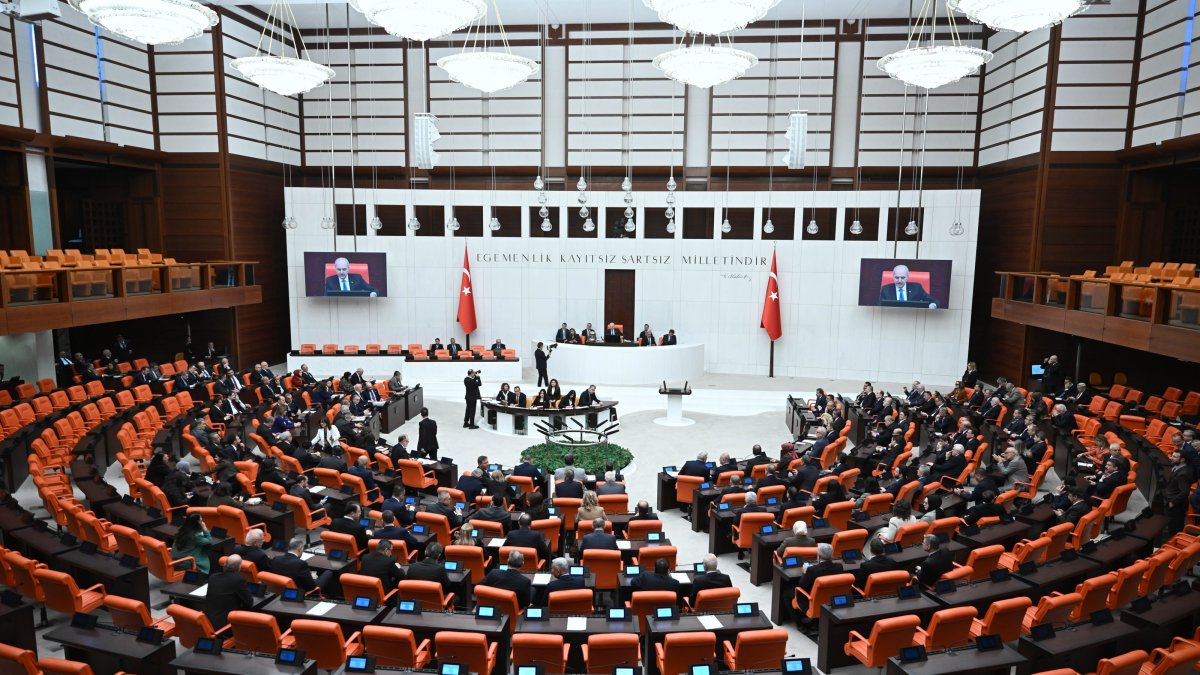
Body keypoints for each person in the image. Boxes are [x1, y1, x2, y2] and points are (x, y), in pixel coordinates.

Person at [795, 544, 843, 618]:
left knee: (787, 594)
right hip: (833, 600)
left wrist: (804, 573)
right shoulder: (839, 567)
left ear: (819, 556)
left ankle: (801, 625)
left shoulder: (812, 570)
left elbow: (801, 585)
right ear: (831, 555)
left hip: (814, 601)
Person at [205, 555, 253, 628]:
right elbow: (249, 603)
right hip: (225, 624)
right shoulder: (238, 580)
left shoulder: (213, 577)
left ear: (224, 565)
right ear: (239, 567)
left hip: (209, 619)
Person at [1163, 450, 1195, 535]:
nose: (1172, 458)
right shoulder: (1177, 467)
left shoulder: (1183, 474)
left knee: (1174, 529)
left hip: (1176, 507)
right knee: (1171, 527)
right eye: (1172, 456)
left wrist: (1173, 502)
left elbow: (1184, 492)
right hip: (1171, 502)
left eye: (1174, 457)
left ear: (1182, 460)